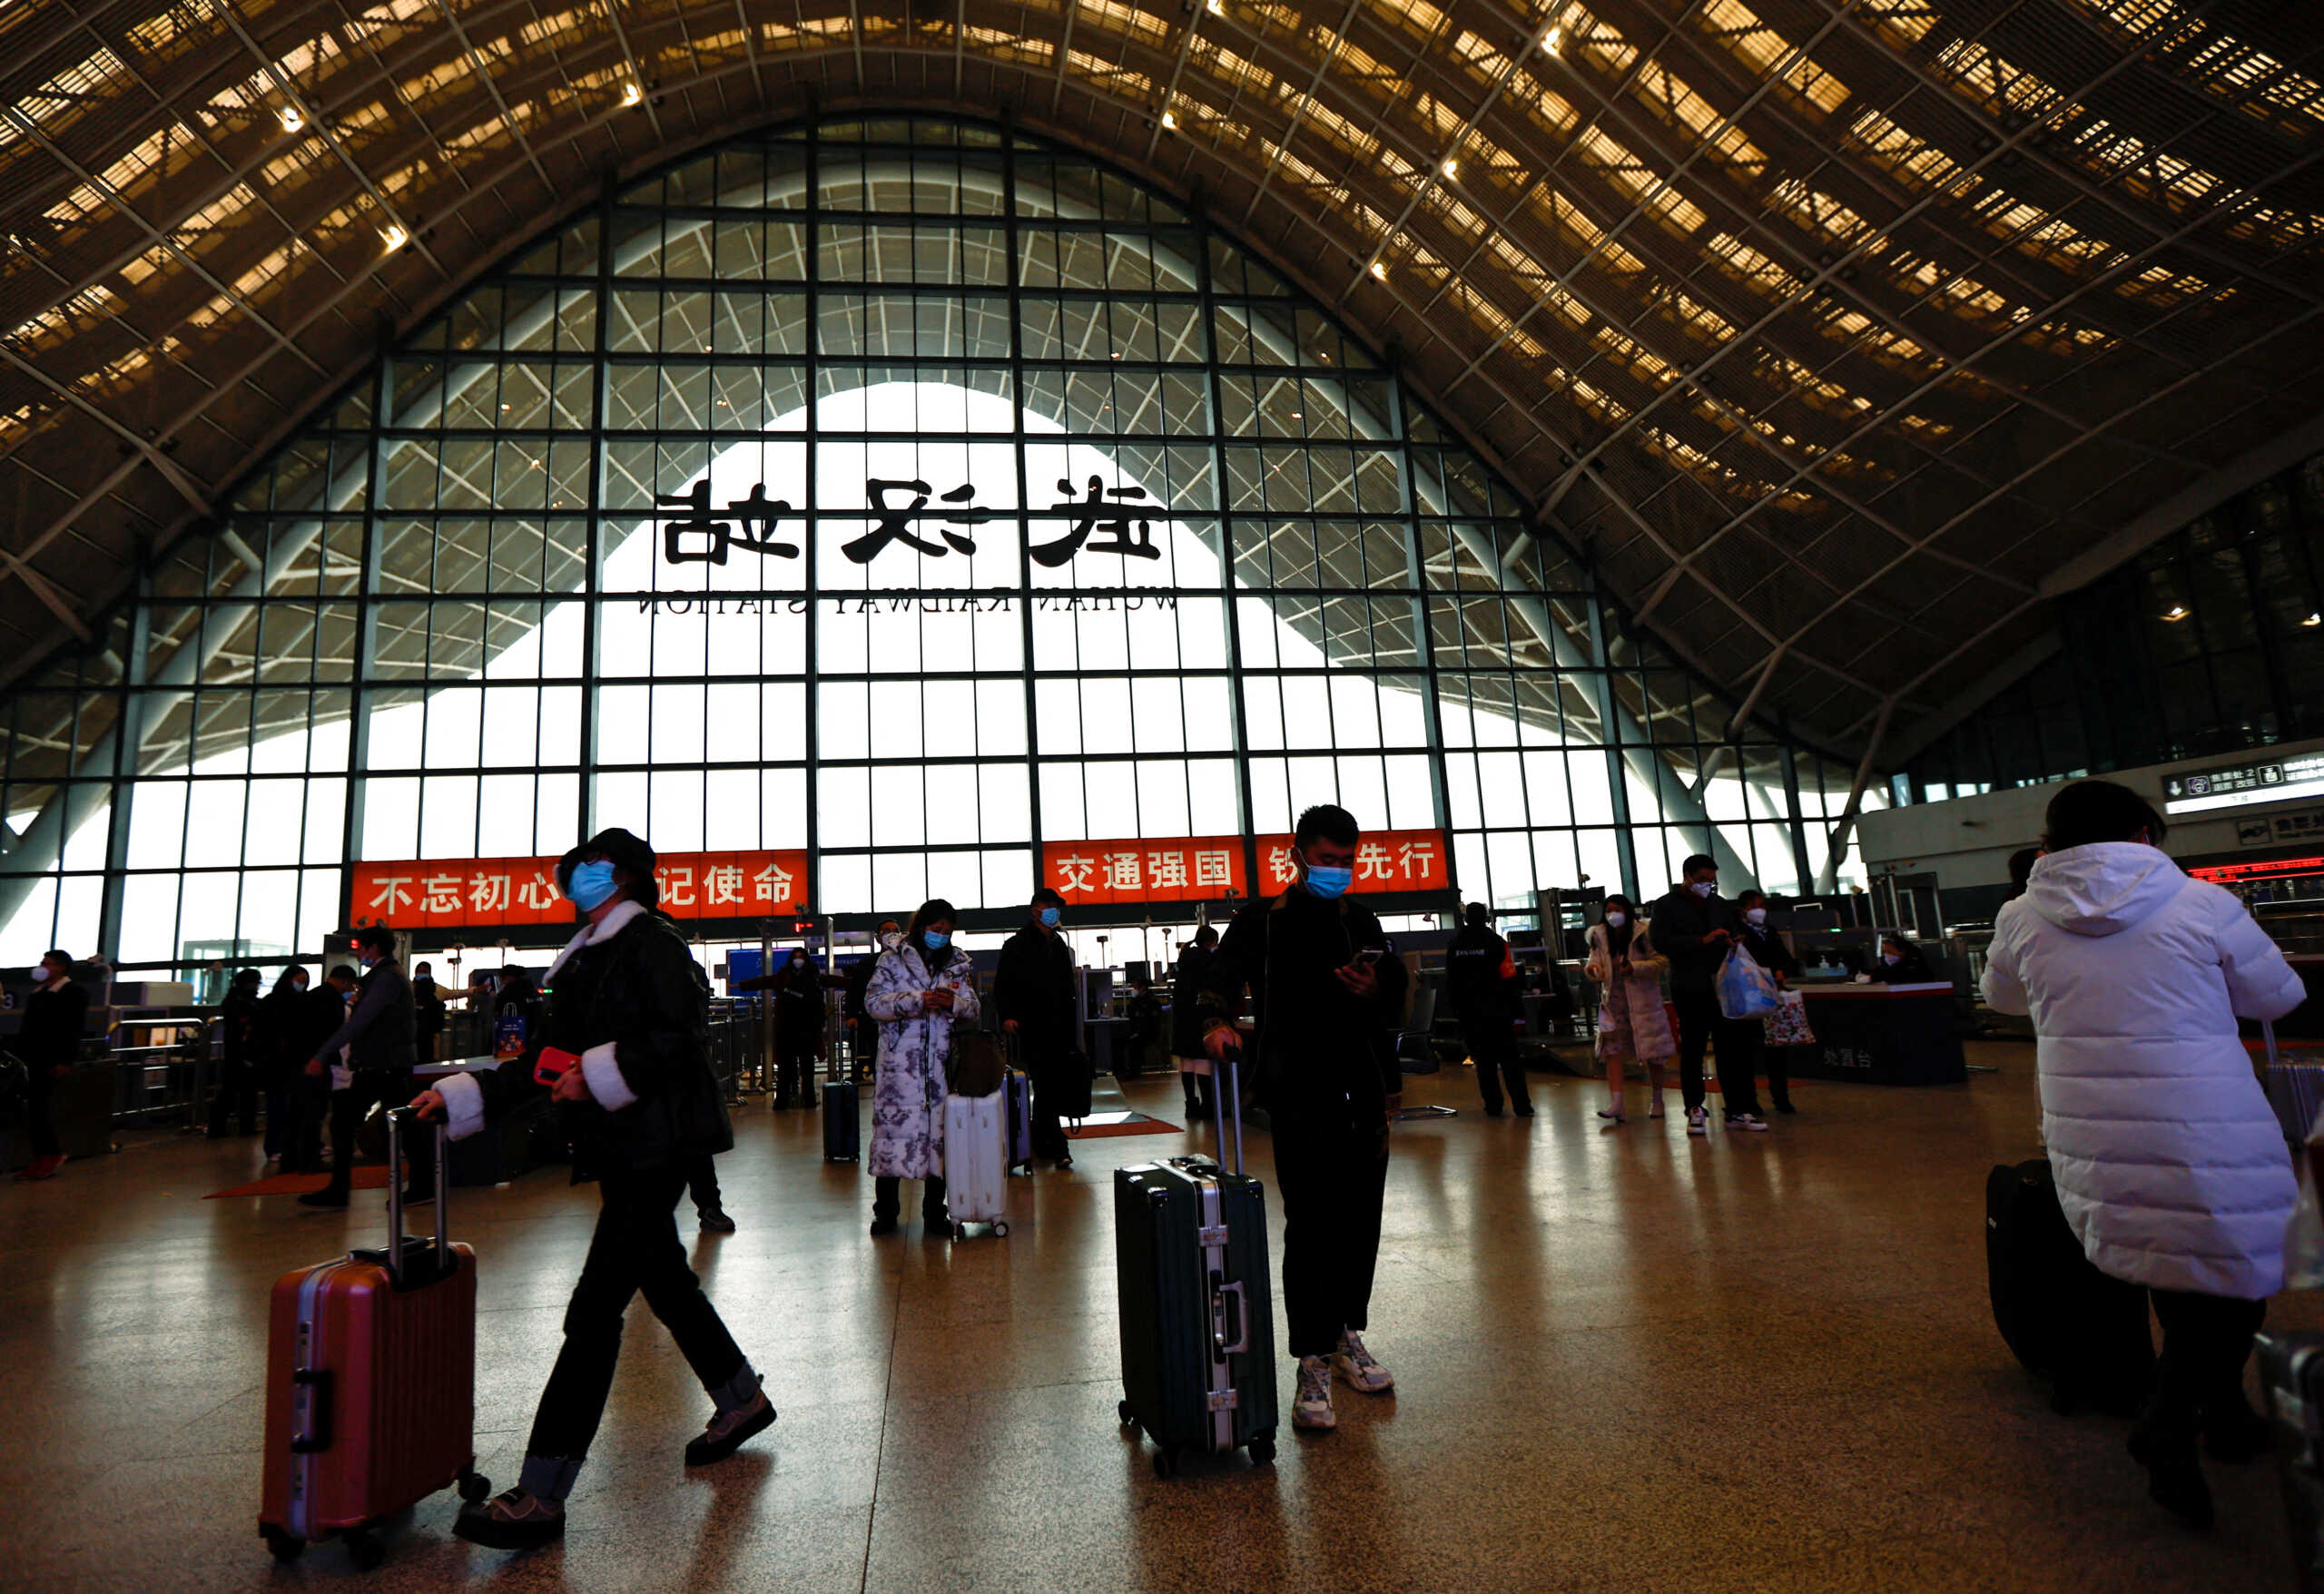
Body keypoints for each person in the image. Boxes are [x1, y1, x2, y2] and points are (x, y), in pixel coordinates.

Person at [410, 826, 768, 1550]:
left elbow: (679, 1038)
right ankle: (742, 1399)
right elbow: (547, 1057)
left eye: (591, 869)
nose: (577, 879)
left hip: (659, 1142)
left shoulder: (653, 944)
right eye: (574, 870)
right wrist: (469, 1092)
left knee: (595, 1308)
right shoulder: (586, 960)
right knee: (665, 1280)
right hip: (629, 1142)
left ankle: (542, 1493)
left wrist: (603, 1072)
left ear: (627, 879)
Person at [1982, 778, 2304, 1528]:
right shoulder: (2203, 902)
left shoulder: (2021, 915)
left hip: (2090, 1123)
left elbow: (2001, 999)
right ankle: (2168, 1419)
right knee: (2235, 1272)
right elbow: (2277, 996)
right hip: (2205, 1120)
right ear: (2142, 834)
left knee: (2168, 1258)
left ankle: (2222, 1415)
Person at [1199, 804, 1406, 1435]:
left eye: (1347, 862)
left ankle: (1346, 1334)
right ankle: (1310, 1358)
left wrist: (1375, 989)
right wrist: (1215, 1021)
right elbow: (1217, 979)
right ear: (1296, 857)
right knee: (1312, 1220)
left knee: (1358, 1218)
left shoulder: (1360, 918)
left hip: (1363, 1088)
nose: (1338, 872)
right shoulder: (1263, 922)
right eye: (1326, 861)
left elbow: (1392, 990)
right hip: (1300, 1090)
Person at [864, 899, 981, 1236]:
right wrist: (916, 1001)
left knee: (940, 1142)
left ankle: (935, 1214)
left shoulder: (957, 965)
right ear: (920, 928)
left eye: (946, 931)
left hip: (940, 1071)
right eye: (935, 930)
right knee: (891, 1140)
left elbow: (973, 1009)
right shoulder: (891, 961)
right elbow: (873, 1004)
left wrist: (953, 1003)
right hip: (898, 1070)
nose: (941, 936)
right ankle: (885, 1213)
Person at [298, 926, 428, 1209]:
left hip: (383, 1065)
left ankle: (342, 1190)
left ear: (374, 948)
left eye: (361, 948)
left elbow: (360, 1021)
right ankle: (419, 1185)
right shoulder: (387, 976)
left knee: (348, 1122)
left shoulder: (386, 978)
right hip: (385, 1064)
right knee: (398, 1123)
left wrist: (322, 1054)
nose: (358, 953)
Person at [1652, 854, 1768, 1135]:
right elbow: (1661, 941)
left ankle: (1737, 1109)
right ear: (1688, 877)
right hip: (1690, 986)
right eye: (1703, 880)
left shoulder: (1718, 905)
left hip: (1723, 987)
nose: (1707, 885)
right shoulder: (1665, 906)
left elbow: (1736, 930)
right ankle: (1694, 1108)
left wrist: (1733, 939)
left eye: (1711, 881)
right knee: (1692, 1048)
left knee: (1730, 1049)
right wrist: (1699, 941)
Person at [995, 887, 1079, 1169]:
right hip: (1031, 1025)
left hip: (1060, 1028)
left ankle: (1042, 1139)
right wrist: (1007, 1015)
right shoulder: (1016, 945)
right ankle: (1056, 1145)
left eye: (1057, 907)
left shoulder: (1059, 945)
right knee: (1045, 1084)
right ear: (1035, 910)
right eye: (1049, 906)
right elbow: (1003, 985)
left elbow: (1068, 988)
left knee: (1050, 1086)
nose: (1054, 911)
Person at [1585, 895, 1674, 1123]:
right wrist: (1594, 970)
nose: (1612, 914)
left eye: (1617, 909)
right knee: (1612, 1051)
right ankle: (1617, 1103)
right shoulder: (1599, 935)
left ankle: (1657, 1098)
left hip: (1643, 1001)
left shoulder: (1643, 932)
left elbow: (1661, 962)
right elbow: (1593, 961)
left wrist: (1634, 968)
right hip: (1614, 1002)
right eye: (1609, 910)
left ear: (1627, 911)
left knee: (1653, 1052)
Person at [1444, 902, 1532, 1117]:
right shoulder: (1496, 942)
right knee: (1510, 1060)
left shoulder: (1455, 945)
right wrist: (1516, 1010)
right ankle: (1522, 1106)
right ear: (1486, 918)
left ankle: (1493, 1106)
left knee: (1484, 1062)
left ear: (1466, 919)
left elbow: (1451, 982)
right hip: (1498, 1011)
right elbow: (1509, 977)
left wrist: (1458, 1012)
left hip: (1470, 1014)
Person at [11, 949, 89, 1182]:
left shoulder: (73, 993)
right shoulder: (38, 993)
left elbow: (72, 1029)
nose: (43, 967)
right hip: (31, 1059)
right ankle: (40, 1157)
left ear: (62, 967)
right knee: (32, 1111)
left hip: (51, 1059)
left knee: (40, 1109)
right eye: (42, 963)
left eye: (49, 963)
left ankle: (50, 1154)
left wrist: (66, 1060)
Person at [1736, 890, 1800, 1114]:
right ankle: (1749, 1100)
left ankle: (1781, 1097)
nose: (1759, 910)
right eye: (1754, 905)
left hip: (1770, 995)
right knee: (1748, 1051)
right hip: (1749, 997)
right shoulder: (1738, 933)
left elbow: (1785, 958)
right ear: (1743, 908)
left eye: (1761, 906)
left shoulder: (1770, 932)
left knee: (1776, 1049)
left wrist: (1781, 971)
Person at [252, 967, 312, 1166]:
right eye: (299, 979)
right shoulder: (276, 1002)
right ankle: (274, 1147)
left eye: (305, 980)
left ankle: (285, 1146)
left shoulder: (293, 1001)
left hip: (290, 1061)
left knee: (288, 1106)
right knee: (277, 1106)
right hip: (277, 1063)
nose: (301, 984)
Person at [206, 967, 265, 1138]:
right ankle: (243, 1127)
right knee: (241, 1092)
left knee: (232, 1092)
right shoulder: (243, 1003)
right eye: (256, 982)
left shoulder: (233, 1001)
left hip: (236, 1052)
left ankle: (220, 1127)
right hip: (243, 1052)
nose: (257, 986)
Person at [842, 920, 900, 1085]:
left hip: (904, 1021)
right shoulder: (868, 964)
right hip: (875, 1023)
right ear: (877, 938)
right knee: (879, 1061)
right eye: (886, 931)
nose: (891, 934)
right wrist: (852, 1015)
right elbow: (855, 991)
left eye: (895, 931)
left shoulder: (909, 960)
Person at [1173, 925, 1220, 1119]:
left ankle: (1190, 1106)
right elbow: (1211, 985)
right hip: (1199, 1019)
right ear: (1210, 942)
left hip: (1182, 1021)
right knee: (1202, 1065)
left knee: (1187, 1066)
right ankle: (1208, 1107)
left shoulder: (1184, 958)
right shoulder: (1206, 960)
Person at [773, 948, 824, 1110]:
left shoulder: (812, 976)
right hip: (789, 1027)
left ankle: (806, 1099)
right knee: (786, 1067)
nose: (798, 960)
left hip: (805, 1028)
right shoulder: (786, 976)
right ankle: (783, 1100)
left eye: (801, 957)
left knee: (806, 1066)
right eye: (796, 957)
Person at [411, 959, 448, 1065]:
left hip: (429, 1035)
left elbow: (455, 993)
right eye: (419, 971)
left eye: (424, 971)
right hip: (415, 1035)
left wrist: (474, 990)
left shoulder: (437, 989)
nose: (421, 973)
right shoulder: (409, 988)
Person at [1869, 933, 1935, 982]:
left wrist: (1872, 978)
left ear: (1902, 951)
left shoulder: (1914, 962)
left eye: (1890, 952)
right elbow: (1883, 970)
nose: (1887, 956)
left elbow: (1896, 973)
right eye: (1885, 952)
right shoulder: (1893, 963)